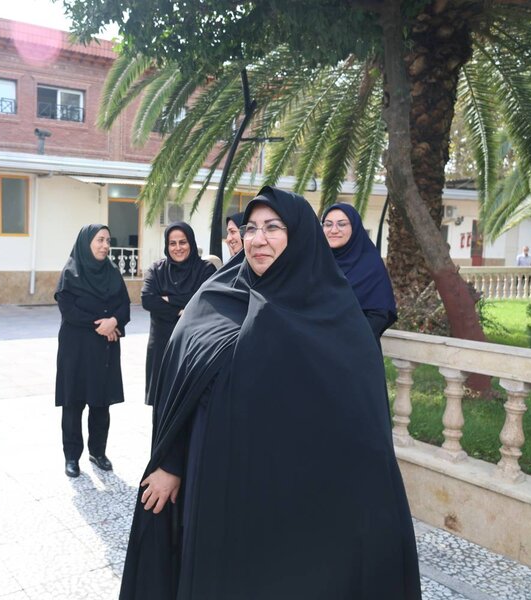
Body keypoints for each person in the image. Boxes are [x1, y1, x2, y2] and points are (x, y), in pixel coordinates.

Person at [119, 187, 421, 599]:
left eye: (273, 227)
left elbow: (363, 433)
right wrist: (171, 461)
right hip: (219, 491)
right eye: (251, 228)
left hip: (296, 504)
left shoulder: (335, 317)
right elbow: (185, 388)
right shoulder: (217, 297)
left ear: (299, 236)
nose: (258, 239)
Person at [55, 224, 131, 478]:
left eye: (108, 240)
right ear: (86, 242)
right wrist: (102, 325)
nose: (105, 246)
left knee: (101, 403)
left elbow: (124, 305)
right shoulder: (70, 273)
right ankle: (71, 457)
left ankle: (98, 452)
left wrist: (114, 321)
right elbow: (69, 310)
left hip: (104, 349)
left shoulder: (112, 272)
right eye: (100, 240)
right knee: (73, 403)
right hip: (76, 350)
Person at [141, 223, 215, 421]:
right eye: (172, 243)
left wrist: (168, 299)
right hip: (162, 349)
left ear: (191, 243)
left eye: (183, 242)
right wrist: (181, 308)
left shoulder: (205, 269)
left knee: (192, 409)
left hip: (193, 348)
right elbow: (148, 300)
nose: (178, 247)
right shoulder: (157, 270)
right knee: (162, 409)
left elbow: (205, 299)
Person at [322, 203, 398, 342]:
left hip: (354, 346)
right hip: (314, 345)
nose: (334, 230)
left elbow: (379, 315)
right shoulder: (316, 261)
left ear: (354, 227)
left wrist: (342, 339)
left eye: (342, 224)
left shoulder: (370, 264)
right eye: (328, 224)